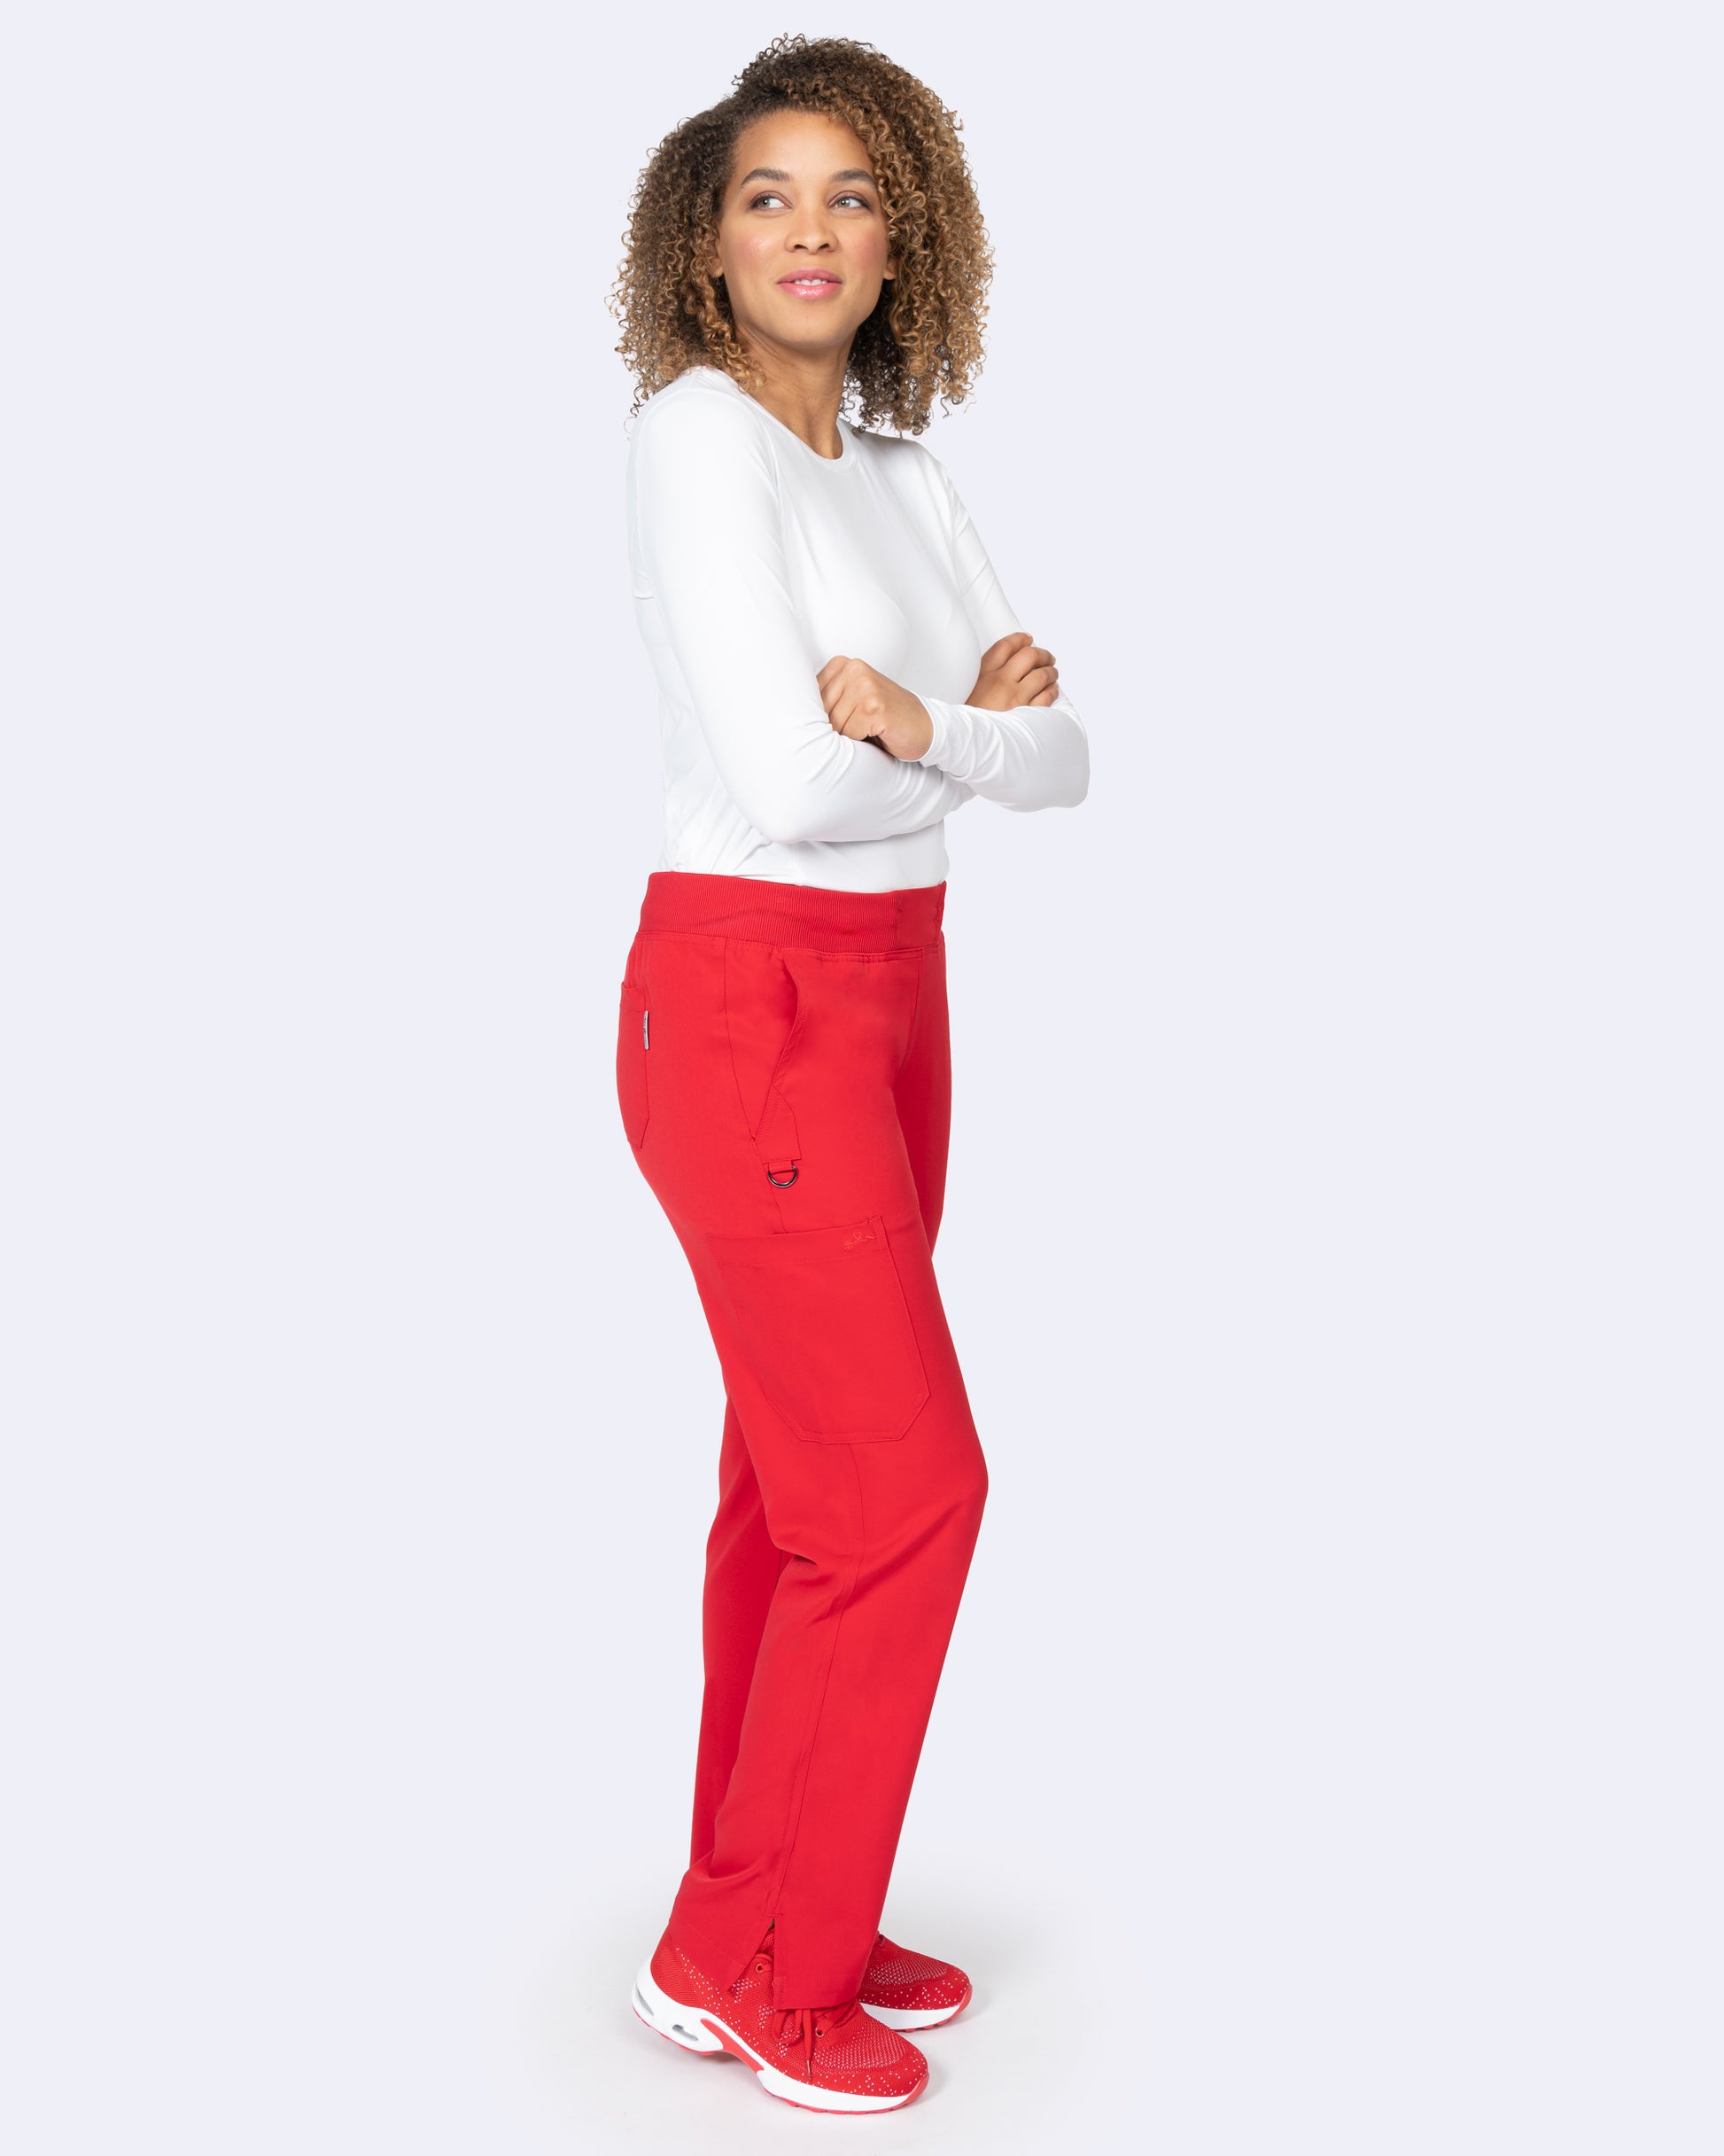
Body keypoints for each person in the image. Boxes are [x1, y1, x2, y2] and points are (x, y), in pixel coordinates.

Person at [608, 35, 1089, 2114]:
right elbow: (796, 785)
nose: (810, 228)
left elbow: (1061, 750)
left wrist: (931, 726)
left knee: (796, 1484)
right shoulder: (695, 438)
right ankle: (764, 1961)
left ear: (907, 238)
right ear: (705, 244)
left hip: (901, 993)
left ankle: (768, 1895)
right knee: (904, 1492)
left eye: (852, 194)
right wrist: (934, 732)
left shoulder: (900, 471)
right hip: (752, 1000)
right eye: (765, 195)